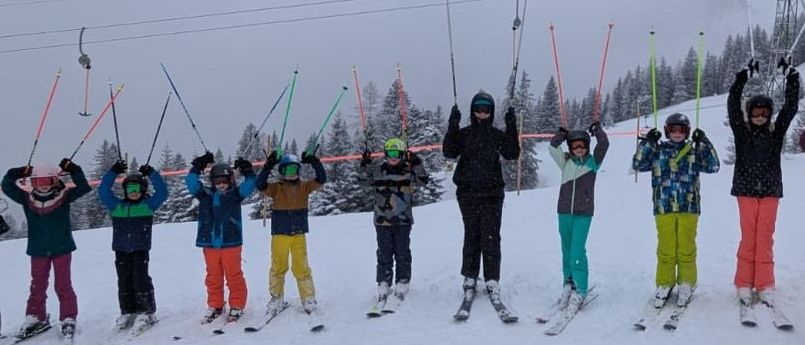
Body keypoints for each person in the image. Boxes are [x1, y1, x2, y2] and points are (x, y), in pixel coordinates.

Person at [727, 63, 800, 306]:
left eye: (764, 114)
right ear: (749, 114)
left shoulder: (775, 132)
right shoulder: (742, 131)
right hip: (746, 191)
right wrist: (743, 77)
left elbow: (790, 108)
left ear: (769, 115)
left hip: (770, 191)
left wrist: (791, 76)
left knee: (765, 238)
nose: (760, 117)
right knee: (749, 238)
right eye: (756, 113)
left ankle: (765, 284)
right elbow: (733, 103)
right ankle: (744, 284)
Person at [632, 113, 720, 308]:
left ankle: (686, 283)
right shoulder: (658, 151)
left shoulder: (693, 151)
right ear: (667, 131)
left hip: (688, 207)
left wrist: (703, 142)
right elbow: (637, 164)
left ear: (687, 132)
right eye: (673, 130)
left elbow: (714, 166)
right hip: (664, 207)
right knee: (666, 247)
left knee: (686, 247)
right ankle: (665, 283)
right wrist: (648, 142)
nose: (677, 133)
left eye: (681, 130)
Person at [1, 159, 91, 340]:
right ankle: (36, 317)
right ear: (32, 183)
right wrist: (18, 172)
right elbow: (7, 186)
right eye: (37, 182)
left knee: (63, 285)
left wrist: (73, 169)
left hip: (62, 248)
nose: (42, 187)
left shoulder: (64, 197)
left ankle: (68, 318)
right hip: (38, 250)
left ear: (54, 181)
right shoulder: (28, 199)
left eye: (46, 182)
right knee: (37, 285)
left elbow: (82, 186)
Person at [442, 90, 520, 298]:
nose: (482, 113)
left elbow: (512, 153)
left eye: (486, 110)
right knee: (472, 235)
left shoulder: (496, 136)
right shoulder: (464, 134)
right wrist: (453, 125)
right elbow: (449, 151)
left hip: (492, 193)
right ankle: (470, 275)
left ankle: (492, 278)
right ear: (472, 111)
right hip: (467, 193)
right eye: (478, 109)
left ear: (492, 112)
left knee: (491, 236)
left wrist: (511, 126)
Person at [98, 160, 168, 334]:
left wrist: (151, 172)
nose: (133, 192)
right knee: (124, 281)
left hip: (140, 249)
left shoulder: (148, 205)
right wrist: (113, 172)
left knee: (140, 279)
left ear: (143, 190)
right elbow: (103, 191)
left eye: (137, 189)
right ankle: (128, 310)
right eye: (130, 189)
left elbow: (163, 192)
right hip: (121, 249)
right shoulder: (117, 206)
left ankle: (146, 311)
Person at [186, 152, 257, 323]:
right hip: (210, 243)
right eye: (217, 182)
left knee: (233, 275)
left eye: (225, 181)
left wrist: (248, 171)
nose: (221, 185)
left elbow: (250, 184)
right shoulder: (204, 194)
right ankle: (216, 305)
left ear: (231, 181)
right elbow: (191, 182)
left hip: (230, 241)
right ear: (212, 182)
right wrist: (198, 167)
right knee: (213, 276)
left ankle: (237, 304)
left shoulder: (235, 194)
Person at [547, 122, 608, 312]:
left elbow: (604, 144)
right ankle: (568, 281)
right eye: (574, 146)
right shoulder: (565, 161)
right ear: (570, 148)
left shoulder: (592, 162)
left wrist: (597, 131)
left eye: (582, 146)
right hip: (564, 212)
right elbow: (552, 148)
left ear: (587, 147)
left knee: (577, 250)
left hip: (583, 214)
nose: (579, 149)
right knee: (566, 249)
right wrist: (561, 134)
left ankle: (580, 288)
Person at [358, 138, 429, 303]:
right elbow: (362, 183)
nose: (393, 157)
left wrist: (416, 162)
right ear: (385, 154)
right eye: (390, 153)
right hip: (382, 220)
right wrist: (365, 164)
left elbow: (424, 180)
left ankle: (403, 280)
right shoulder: (378, 171)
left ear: (402, 154)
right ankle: (384, 281)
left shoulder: (408, 171)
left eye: (396, 153)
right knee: (384, 252)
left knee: (402, 252)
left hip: (403, 220)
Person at [256, 150, 326, 316]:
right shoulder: (276, 188)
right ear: (281, 172)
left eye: (294, 170)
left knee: (301, 267)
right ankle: (276, 299)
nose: (291, 173)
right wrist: (268, 166)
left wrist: (314, 161)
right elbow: (260, 185)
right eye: (287, 170)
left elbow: (322, 179)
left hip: (298, 234)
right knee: (278, 267)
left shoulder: (304, 186)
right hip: (280, 234)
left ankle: (308, 298)